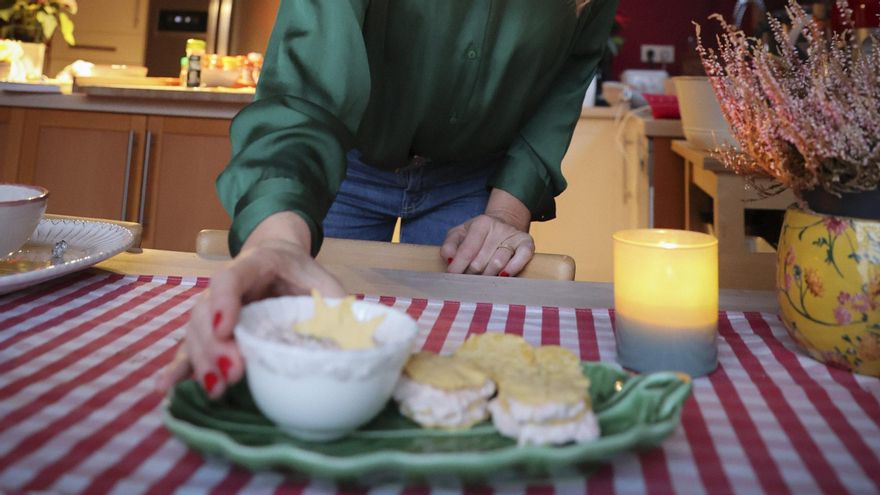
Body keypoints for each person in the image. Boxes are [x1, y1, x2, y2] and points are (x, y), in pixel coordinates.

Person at [158, 0, 619, 398]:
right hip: (344, 167)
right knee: (313, 356)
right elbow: (305, 90)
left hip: (476, 182)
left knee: (457, 377)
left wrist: (507, 209)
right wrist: (277, 241)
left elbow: (568, 77)